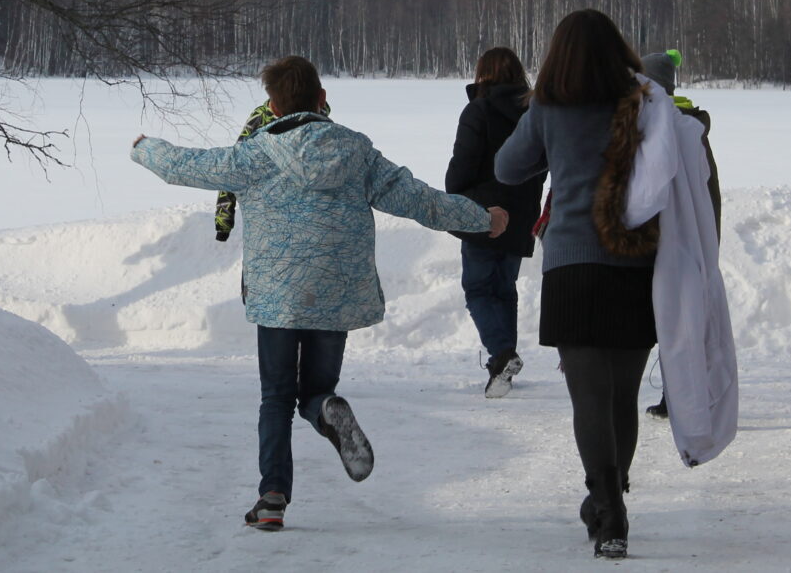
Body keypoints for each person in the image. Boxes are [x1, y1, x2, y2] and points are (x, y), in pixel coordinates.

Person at [130, 55, 509, 532]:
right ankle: (325, 407)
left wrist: (145, 148)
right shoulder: (357, 152)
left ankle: (272, 498)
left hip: (279, 296)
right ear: (322, 100)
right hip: (337, 292)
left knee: (276, 397)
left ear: (272, 105)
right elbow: (420, 200)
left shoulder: (255, 154)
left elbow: (186, 165)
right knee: (315, 390)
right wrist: (483, 218)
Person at [494, 9, 661, 560]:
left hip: (571, 263)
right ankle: (611, 502)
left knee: (589, 398)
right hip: (635, 262)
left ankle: (608, 510)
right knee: (623, 398)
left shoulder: (548, 107)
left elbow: (507, 169)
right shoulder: (643, 101)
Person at [445, 46, 546, 398]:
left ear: (481, 75)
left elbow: (461, 167)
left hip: (483, 214)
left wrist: (459, 197)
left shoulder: (479, 111)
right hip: (523, 213)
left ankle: (502, 355)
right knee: (505, 289)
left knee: (478, 289)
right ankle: (505, 364)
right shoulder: (535, 111)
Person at [637, 48, 722, 421]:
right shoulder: (688, 125)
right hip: (690, 236)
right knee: (681, 318)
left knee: (677, 320)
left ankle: (686, 397)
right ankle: (683, 396)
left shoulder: (675, 127)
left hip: (671, 237)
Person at [213, 96, 330, 241]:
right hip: (271, 217)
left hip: (311, 222)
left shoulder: (321, 121)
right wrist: (223, 221)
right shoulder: (261, 118)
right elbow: (234, 165)